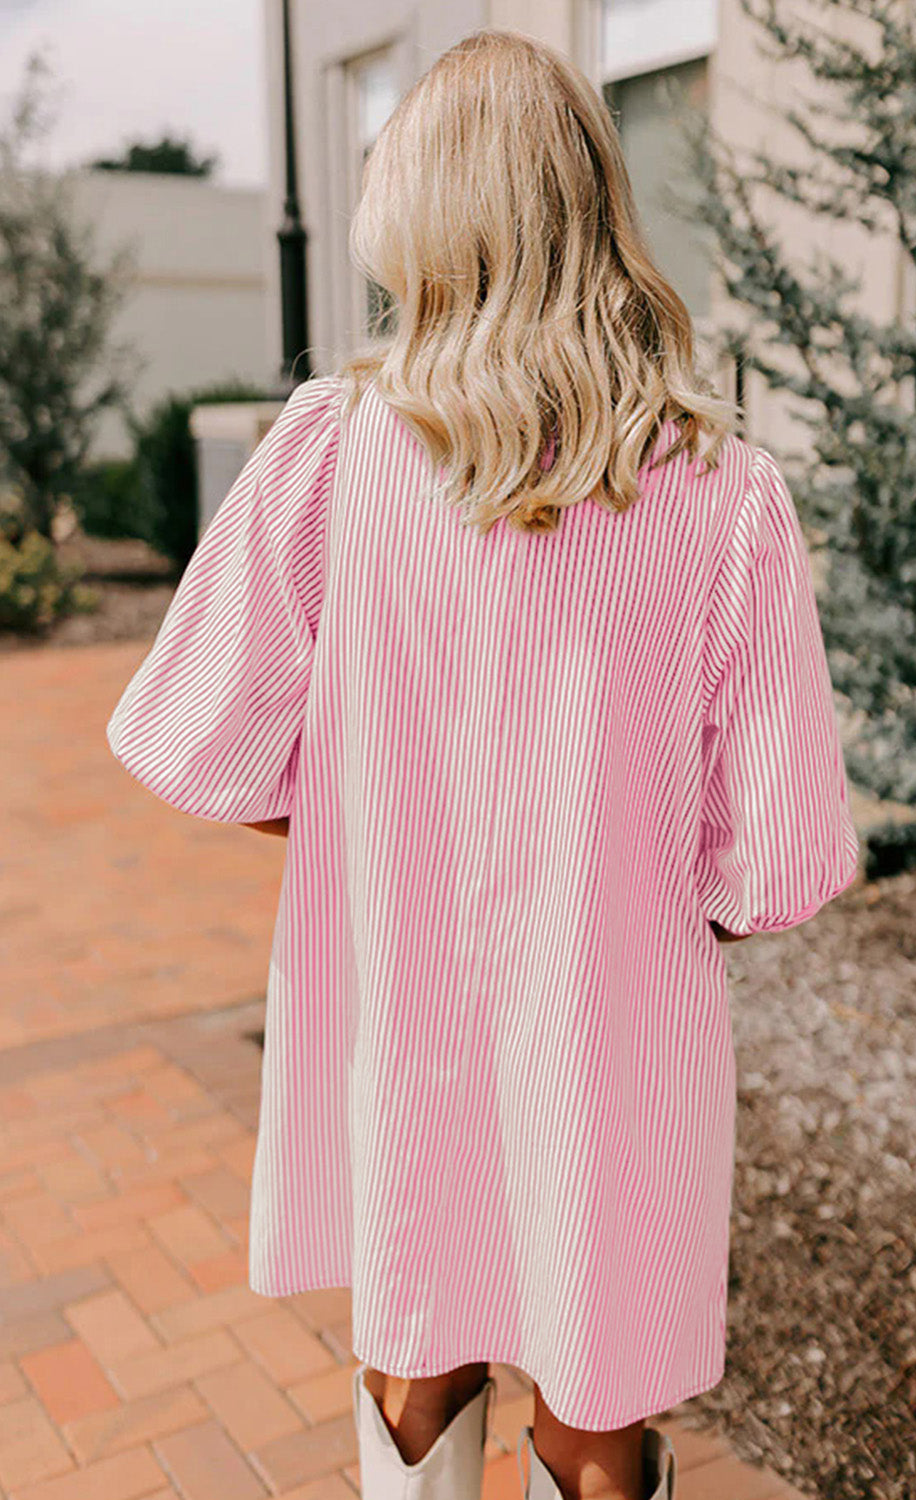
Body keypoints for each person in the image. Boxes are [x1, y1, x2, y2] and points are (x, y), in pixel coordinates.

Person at [105, 26, 859, 1500]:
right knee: (594, 1418)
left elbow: (197, 738)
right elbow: (774, 864)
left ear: (418, 214)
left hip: (403, 1011)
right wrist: (611, 886)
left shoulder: (332, 454)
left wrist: (377, 827)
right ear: (595, 208)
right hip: (618, 1037)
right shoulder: (727, 490)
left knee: (417, 1363)